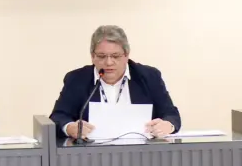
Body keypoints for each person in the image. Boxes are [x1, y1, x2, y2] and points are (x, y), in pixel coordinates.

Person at [49, 25, 181, 139]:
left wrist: (167, 125)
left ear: (126, 55)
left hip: (141, 152)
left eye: (115, 56)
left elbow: (171, 114)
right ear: (92, 56)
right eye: (101, 56)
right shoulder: (77, 79)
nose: (108, 62)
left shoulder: (149, 77)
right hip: (90, 153)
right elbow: (58, 117)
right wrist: (69, 127)